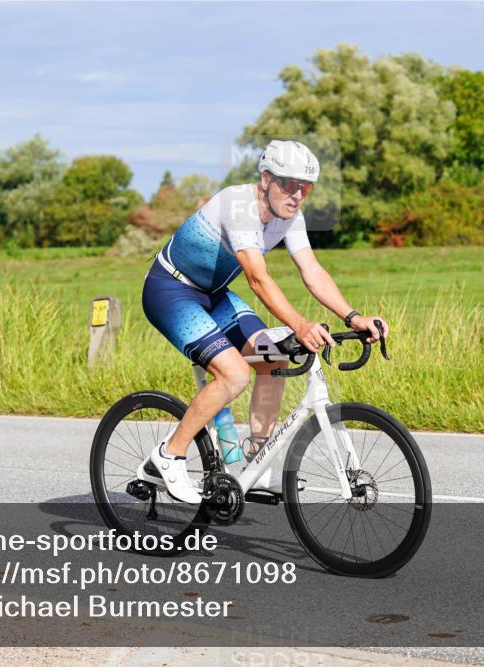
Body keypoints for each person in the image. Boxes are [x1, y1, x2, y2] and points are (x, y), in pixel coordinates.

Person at [140, 140, 389, 503]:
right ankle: (167, 457)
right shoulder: (238, 205)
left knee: (273, 358)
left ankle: (254, 463)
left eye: (307, 187)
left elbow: (311, 270)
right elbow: (258, 279)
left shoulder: (290, 217)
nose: (298, 195)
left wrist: (352, 316)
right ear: (266, 178)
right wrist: (301, 325)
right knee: (234, 374)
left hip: (214, 294)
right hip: (171, 290)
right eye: (290, 184)